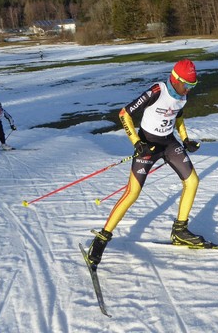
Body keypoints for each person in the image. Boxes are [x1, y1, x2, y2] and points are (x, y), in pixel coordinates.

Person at [87, 59, 203, 266]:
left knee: (193, 181)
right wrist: (137, 143)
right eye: (186, 84)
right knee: (132, 193)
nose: (188, 90)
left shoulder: (182, 96)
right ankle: (101, 239)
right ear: (175, 79)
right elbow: (124, 114)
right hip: (147, 145)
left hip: (168, 143)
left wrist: (185, 139)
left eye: (192, 86)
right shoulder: (157, 91)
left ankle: (180, 231)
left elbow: (178, 116)